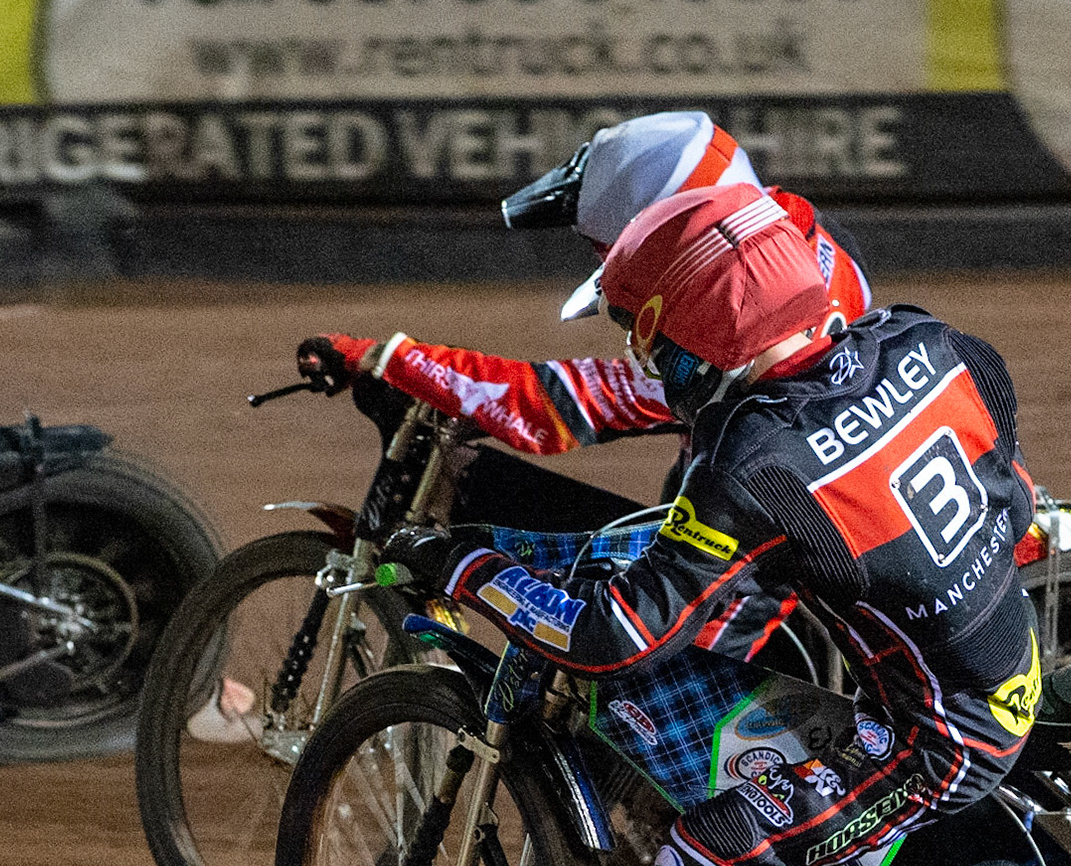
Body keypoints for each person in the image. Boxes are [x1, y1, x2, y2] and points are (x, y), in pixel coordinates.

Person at [377, 183, 1043, 866]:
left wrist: (473, 570)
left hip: (940, 736)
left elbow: (613, 638)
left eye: (650, 340)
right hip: (1006, 633)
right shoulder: (928, 340)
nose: (649, 364)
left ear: (703, 334)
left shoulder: (755, 457)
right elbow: (1009, 485)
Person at [296, 110, 868, 664]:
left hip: (743, 552)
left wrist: (380, 356)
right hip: (813, 509)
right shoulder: (801, 242)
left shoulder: (727, 331)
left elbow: (545, 407)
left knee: (594, 676)